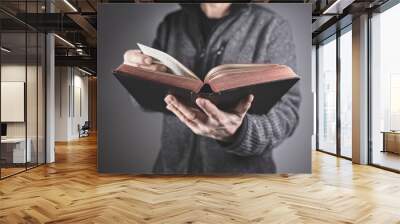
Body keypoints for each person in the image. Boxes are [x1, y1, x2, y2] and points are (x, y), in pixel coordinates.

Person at [123, 3, 301, 173]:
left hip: (240, 186)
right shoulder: (171, 23)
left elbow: (287, 115)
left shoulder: (273, 27)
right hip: (170, 170)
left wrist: (240, 132)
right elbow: (147, 101)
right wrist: (137, 78)